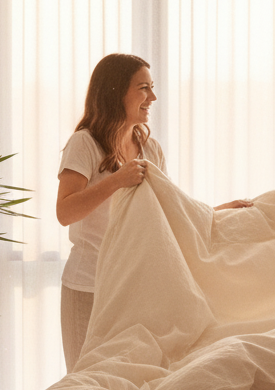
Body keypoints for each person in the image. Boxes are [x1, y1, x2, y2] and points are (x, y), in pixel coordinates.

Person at [56, 53, 251, 372]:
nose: (153, 97)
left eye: (152, 87)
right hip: (89, 285)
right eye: (143, 88)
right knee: (84, 380)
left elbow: (169, 211)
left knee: (129, 382)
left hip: (135, 286)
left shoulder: (151, 149)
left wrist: (219, 212)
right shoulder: (84, 143)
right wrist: (117, 180)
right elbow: (65, 211)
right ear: (115, 92)